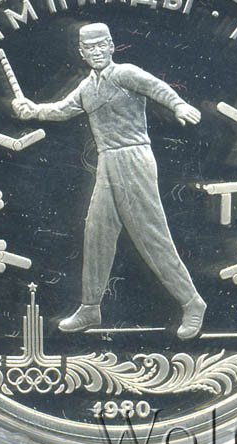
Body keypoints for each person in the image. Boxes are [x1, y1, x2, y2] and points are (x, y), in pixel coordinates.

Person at [12, 23, 206, 340]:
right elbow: (62, 110)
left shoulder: (125, 73)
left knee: (150, 234)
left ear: (112, 46)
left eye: (102, 45)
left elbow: (157, 87)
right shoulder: (87, 88)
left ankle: (192, 302)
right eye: (90, 48)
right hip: (108, 161)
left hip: (134, 158)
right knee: (97, 232)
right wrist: (33, 110)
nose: (97, 52)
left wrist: (179, 105)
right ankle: (90, 308)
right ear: (82, 53)